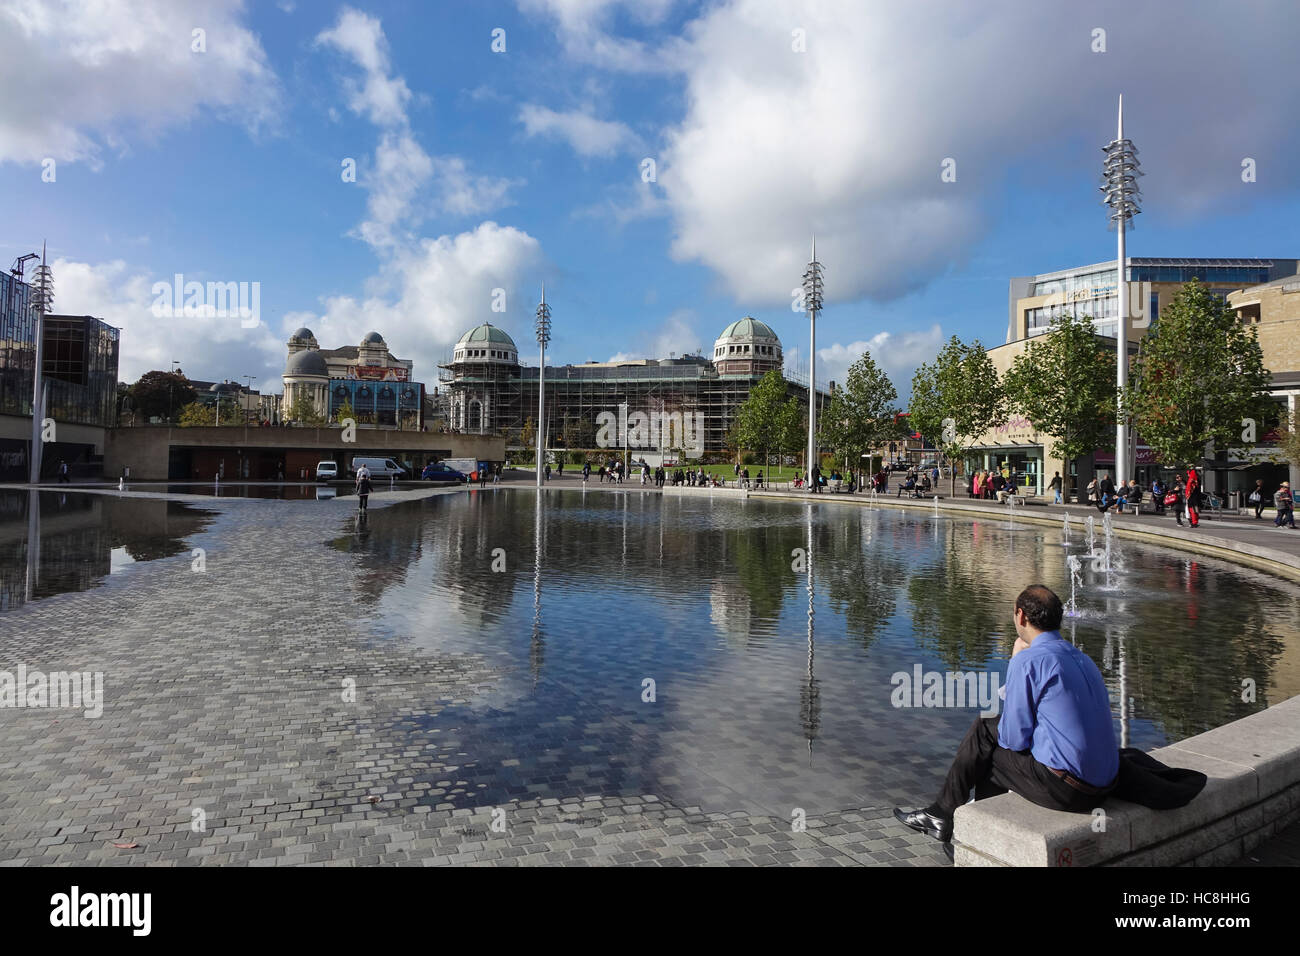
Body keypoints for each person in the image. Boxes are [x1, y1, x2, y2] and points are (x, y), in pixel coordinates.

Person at [893, 585, 1118, 848]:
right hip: (1104, 785)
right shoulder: (1082, 657)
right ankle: (951, 820)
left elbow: (1014, 739)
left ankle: (957, 826)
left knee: (987, 740)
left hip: (1069, 791)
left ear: (1021, 616)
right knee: (990, 736)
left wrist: (1015, 661)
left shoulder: (1030, 660)